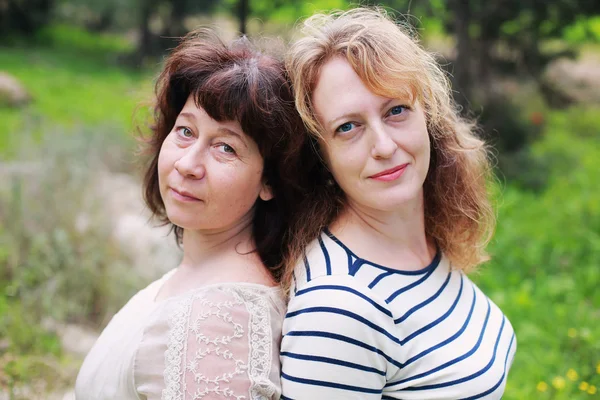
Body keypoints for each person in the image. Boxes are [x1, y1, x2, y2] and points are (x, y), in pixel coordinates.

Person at [280, 8, 517, 400]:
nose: (385, 147)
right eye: (348, 127)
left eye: (396, 110)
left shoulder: (422, 244)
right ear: (322, 155)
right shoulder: (340, 306)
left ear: (429, 116)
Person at [75, 29, 309, 399]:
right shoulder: (195, 275)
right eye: (185, 130)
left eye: (225, 148)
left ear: (270, 181)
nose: (187, 164)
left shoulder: (224, 319)